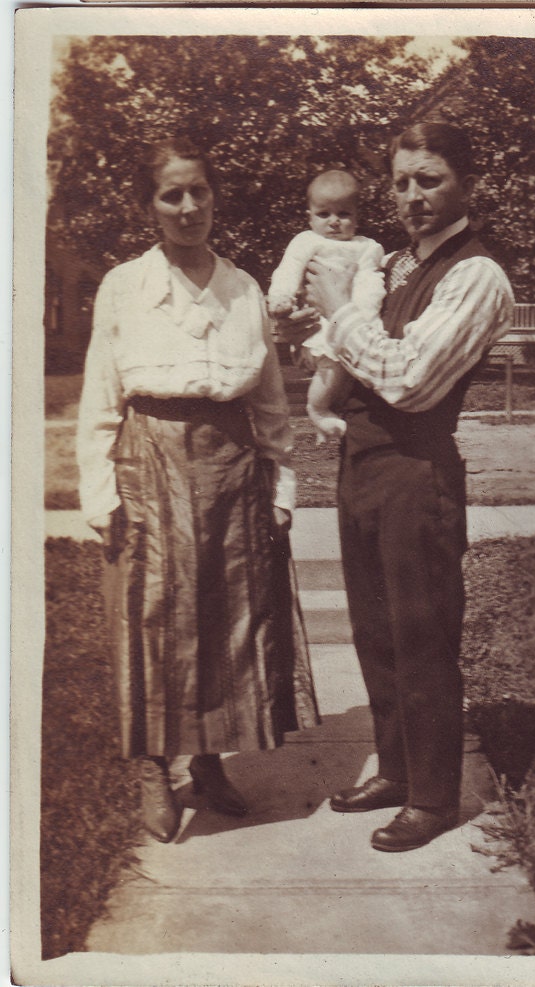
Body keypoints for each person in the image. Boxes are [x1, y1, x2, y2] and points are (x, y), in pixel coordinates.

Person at [77, 136, 320, 844]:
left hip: (233, 469)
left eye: (199, 192)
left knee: (227, 616)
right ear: (148, 206)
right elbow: (99, 400)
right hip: (150, 464)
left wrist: (282, 485)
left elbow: (271, 403)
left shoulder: (243, 288)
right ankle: (156, 763)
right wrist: (102, 495)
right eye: (171, 194)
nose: (188, 208)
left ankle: (211, 759)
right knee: (154, 616)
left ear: (215, 196)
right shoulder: (124, 286)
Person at [283, 121, 514, 852]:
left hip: (418, 474)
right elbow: (356, 351)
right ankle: (394, 768)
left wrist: (339, 310)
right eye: (402, 180)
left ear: (466, 184)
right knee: (374, 632)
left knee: (421, 636)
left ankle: (434, 795)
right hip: (365, 466)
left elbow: (408, 379)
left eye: (431, 179)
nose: (412, 196)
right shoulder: (391, 264)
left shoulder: (476, 274)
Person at [268, 170, 385, 444]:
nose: (333, 222)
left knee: (345, 371)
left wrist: (365, 314)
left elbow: (371, 281)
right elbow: (289, 270)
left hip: (353, 318)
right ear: (309, 216)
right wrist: (281, 298)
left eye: (343, 214)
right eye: (324, 214)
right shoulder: (306, 241)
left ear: (357, 217)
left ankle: (335, 411)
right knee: (331, 366)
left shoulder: (367, 247)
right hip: (318, 325)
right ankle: (317, 408)